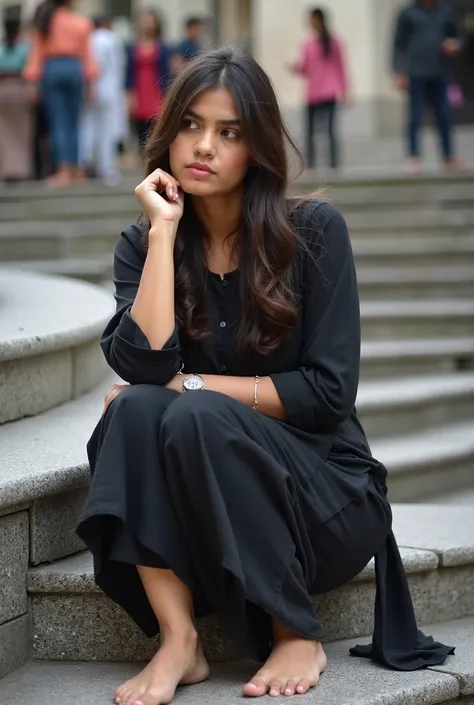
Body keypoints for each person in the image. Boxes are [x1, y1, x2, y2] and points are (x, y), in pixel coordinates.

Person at [76, 46, 454, 705]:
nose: (204, 146)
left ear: (259, 146)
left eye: (229, 132)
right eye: (190, 125)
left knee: (183, 407)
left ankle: (292, 625)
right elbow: (143, 366)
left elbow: (329, 393)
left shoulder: (312, 232)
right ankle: (178, 638)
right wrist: (164, 235)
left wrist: (191, 387)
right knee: (132, 409)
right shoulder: (143, 243)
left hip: (323, 497)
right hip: (207, 496)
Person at [23, 0, 97, 187]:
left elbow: (36, 53)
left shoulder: (45, 20)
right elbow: (88, 55)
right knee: (75, 122)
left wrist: (32, 82)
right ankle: (77, 170)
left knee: (59, 121)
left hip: (52, 68)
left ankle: (63, 170)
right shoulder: (81, 22)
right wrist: (90, 83)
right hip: (75, 68)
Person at [392, 0, 464, 172]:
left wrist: (456, 44)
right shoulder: (407, 12)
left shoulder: (445, 11)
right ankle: (414, 156)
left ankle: (448, 155)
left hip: (440, 70)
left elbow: (459, 35)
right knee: (415, 115)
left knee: (444, 114)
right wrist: (400, 71)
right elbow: (398, 44)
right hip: (415, 72)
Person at [289, 7, 350, 170]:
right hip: (312, 93)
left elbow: (341, 67)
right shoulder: (307, 44)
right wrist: (296, 67)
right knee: (309, 133)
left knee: (330, 131)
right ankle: (311, 165)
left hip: (329, 92)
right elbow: (306, 68)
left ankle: (333, 165)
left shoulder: (334, 42)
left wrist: (345, 91)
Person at [81, 15, 126, 186]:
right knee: (107, 131)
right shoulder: (112, 39)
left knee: (89, 128)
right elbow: (119, 65)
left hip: (92, 90)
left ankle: (87, 164)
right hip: (110, 90)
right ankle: (107, 169)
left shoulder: (90, 38)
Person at [125, 9, 171, 153]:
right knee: (140, 132)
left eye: (150, 21)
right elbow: (128, 75)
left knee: (156, 130)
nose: (147, 24)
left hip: (157, 91)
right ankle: (143, 166)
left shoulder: (164, 48)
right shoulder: (131, 48)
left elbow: (169, 73)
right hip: (139, 92)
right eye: (144, 20)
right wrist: (128, 96)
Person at [0, 15, 33, 181]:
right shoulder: (24, 48)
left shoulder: (1, 47)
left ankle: (6, 168)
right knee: (22, 131)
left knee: (4, 132)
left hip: (3, 89)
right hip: (20, 88)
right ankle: (20, 169)